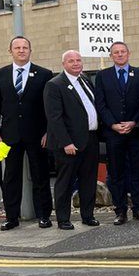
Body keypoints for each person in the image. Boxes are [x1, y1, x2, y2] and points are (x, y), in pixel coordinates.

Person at [0, 36, 54, 231]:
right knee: (10, 178)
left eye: (25, 47)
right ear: (11, 51)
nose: (21, 50)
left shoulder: (44, 74)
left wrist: (48, 131)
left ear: (30, 51)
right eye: (17, 47)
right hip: (9, 135)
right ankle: (11, 217)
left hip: (37, 134)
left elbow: (50, 107)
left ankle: (44, 215)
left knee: (41, 176)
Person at [94, 41, 139, 225]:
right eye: (116, 52)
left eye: (122, 52)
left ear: (129, 53)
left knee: (137, 171)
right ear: (111, 56)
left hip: (136, 132)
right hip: (113, 133)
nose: (119, 55)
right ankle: (120, 211)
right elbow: (100, 104)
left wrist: (134, 122)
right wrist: (112, 124)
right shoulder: (103, 76)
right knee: (116, 173)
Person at [43, 51, 101, 230]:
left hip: (90, 139)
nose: (76, 63)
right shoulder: (55, 85)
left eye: (78, 60)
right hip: (69, 144)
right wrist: (66, 142)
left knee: (89, 180)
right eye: (71, 61)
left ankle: (87, 215)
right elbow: (54, 118)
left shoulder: (84, 80)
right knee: (65, 182)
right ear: (63, 64)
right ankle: (63, 219)